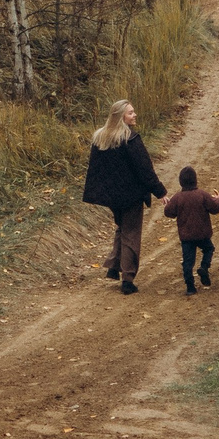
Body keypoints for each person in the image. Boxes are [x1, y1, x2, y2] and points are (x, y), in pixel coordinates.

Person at [81, 98, 166, 294]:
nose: (134, 115)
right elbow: (145, 170)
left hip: (111, 197)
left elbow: (95, 170)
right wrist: (160, 191)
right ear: (121, 117)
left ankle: (113, 266)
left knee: (122, 227)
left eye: (133, 112)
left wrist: (99, 193)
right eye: (130, 113)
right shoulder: (130, 140)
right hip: (131, 196)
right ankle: (127, 278)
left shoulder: (100, 139)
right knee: (131, 233)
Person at [160, 166, 219, 295]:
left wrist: (167, 205)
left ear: (180, 182)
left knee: (188, 261)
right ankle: (204, 267)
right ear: (195, 180)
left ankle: (190, 287)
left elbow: (169, 213)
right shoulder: (202, 195)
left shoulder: (178, 197)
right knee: (209, 249)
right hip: (203, 234)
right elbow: (215, 208)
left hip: (186, 236)